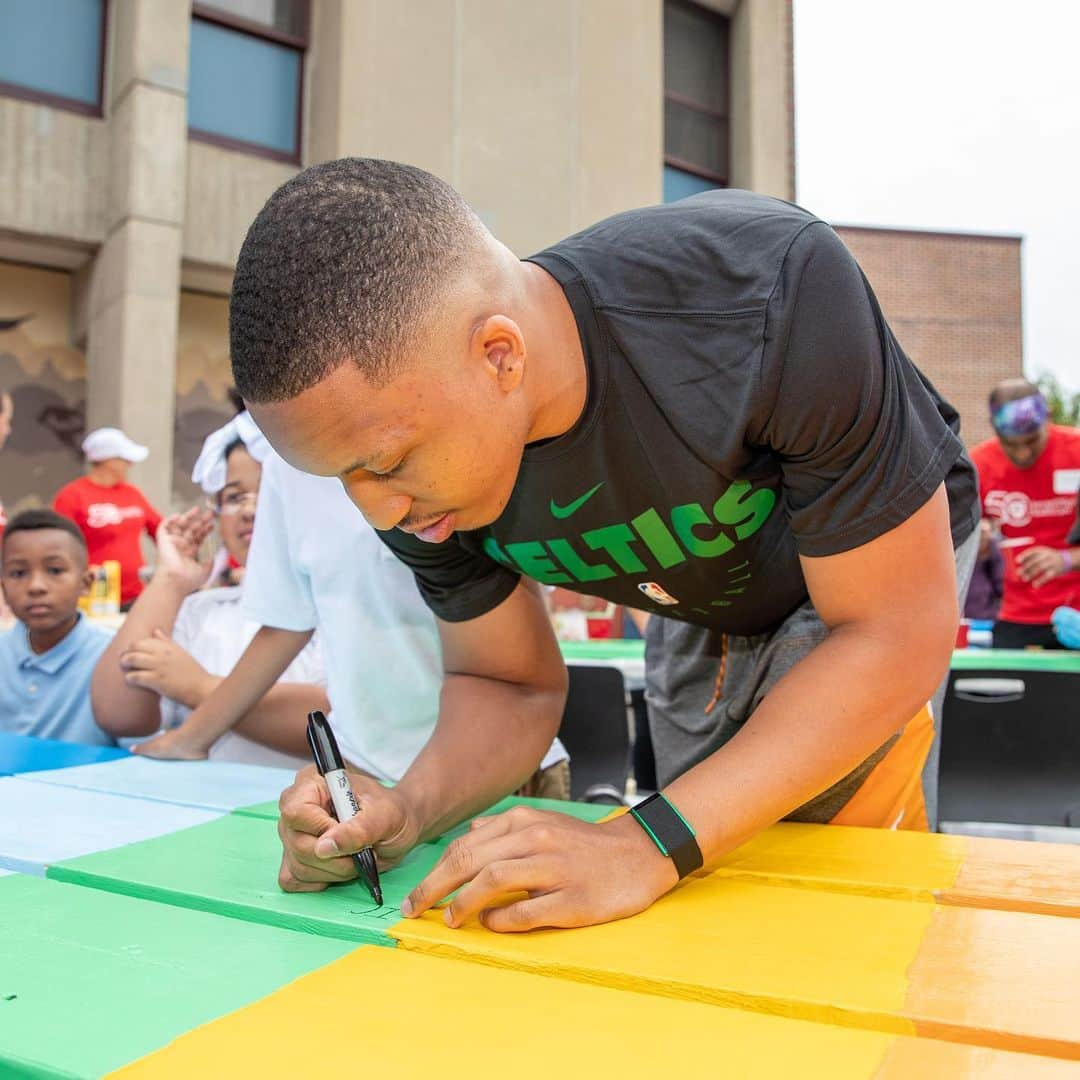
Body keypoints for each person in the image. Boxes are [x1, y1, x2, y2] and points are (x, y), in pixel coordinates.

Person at [229, 159, 979, 932]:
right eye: (339, 479)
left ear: (499, 355)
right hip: (698, 596)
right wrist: (408, 809)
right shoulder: (415, 469)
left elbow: (891, 632)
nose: (378, 512)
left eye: (383, 464)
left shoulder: (761, 291)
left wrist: (643, 841)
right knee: (705, 893)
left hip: (875, 578)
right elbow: (508, 683)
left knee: (825, 891)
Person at [131, 449, 571, 797]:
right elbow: (285, 624)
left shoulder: (442, 437)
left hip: (493, 764)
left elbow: (514, 606)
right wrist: (193, 735)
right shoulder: (288, 471)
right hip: (365, 767)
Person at [91, 414, 327, 768]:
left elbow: (338, 726)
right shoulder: (201, 611)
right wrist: (170, 581)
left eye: (269, 490)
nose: (248, 509)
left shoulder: (340, 607)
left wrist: (198, 687)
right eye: (233, 497)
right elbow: (119, 715)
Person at [970, 380, 1080, 649]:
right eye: (1011, 444)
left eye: (1032, 440)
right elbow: (951, 541)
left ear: (1048, 418)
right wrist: (977, 543)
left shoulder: (1076, 451)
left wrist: (1067, 559)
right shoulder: (979, 464)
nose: (1024, 453)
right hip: (1014, 616)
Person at [0, 509, 116, 746]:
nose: (36, 586)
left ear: (86, 584)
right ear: (3, 587)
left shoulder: (114, 657)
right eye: (19, 573)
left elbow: (140, 755)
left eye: (54, 570)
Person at [53, 427, 162, 608]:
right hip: (92, 600)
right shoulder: (72, 496)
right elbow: (57, 546)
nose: (130, 465)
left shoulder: (132, 493)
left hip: (135, 597)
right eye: (125, 459)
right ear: (108, 460)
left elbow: (160, 530)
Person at [963, 519, 1004, 622]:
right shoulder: (961, 555)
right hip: (961, 621)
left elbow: (1002, 587)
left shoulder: (995, 555)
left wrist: (992, 551)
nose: (980, 538)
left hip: (987, 621)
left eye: (984, 533)